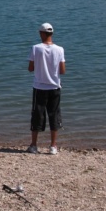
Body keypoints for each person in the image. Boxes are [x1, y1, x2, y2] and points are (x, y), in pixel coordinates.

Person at [27, 23, 66, 155]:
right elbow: (62, 70)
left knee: (37, 115)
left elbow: (30, 68)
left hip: (39, 87)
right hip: (55, 86)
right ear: (52, 34)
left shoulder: (35, 48)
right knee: (54, 115)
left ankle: (33, 145)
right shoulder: (60, 49)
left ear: (42, 33)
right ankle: (53, 146)